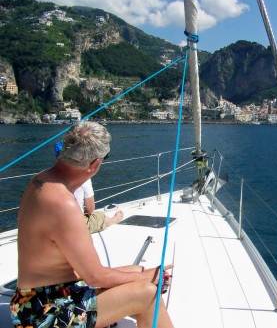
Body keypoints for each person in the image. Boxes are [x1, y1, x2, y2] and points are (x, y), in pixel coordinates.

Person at [10, 121, 174, 328]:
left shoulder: (39, 180)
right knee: (147, 293)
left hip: (32, 300)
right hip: (44, 314)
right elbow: (95, 276)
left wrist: (140, 274)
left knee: (137, 270)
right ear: (94, 163)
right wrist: (146, 277)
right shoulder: (64, 205)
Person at [54, 140, 123, 233]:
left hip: (53, 221)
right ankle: (114, 220)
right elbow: (90, 209)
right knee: (101, 216)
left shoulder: (48, 176)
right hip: (72, 224)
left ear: (56, 157)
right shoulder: (84, 178)